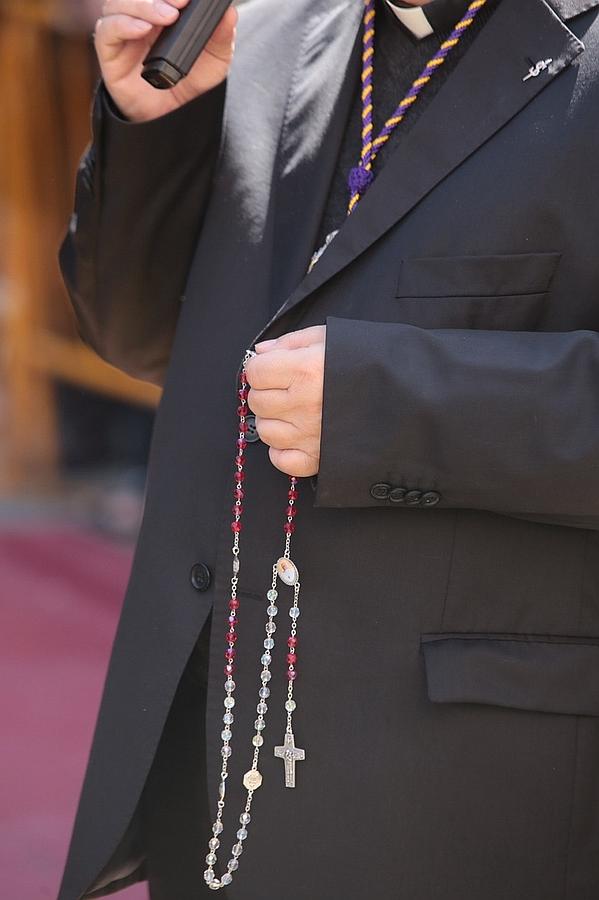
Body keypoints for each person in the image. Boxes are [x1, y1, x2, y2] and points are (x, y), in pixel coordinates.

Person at [57, 0, 599, 897]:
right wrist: (154, 126)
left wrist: (391, 403)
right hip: (223, 778)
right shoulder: (270, 28)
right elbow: (141, 337)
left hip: (480, 796)